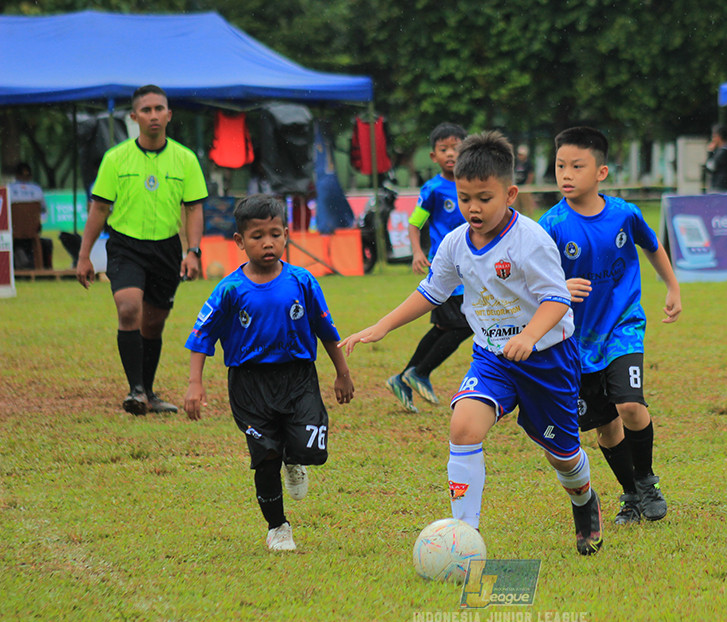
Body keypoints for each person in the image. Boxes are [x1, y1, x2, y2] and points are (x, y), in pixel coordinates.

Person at [340, 131, 604, 556]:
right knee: (463, 426)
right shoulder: (454, 243)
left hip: (548, 358)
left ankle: (583, 500)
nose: (473, 209)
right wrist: (381, 326)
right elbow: (431, 292)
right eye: (465, 198)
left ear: (510, 193)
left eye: (484, 198)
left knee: (563, 455)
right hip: (491, 360)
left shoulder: (531, 240)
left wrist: (530, 337)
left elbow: (556, 300)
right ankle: (464, 539)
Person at [183, 194, 354, 551]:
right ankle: (278, 528)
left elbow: (326, 329)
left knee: (309, 450)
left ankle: (295, 460)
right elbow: (201, 336)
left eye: (275, 234)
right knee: (265, 456)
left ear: (287, 235)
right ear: (240, 242)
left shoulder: (302, 281)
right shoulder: (229, 289)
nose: (267, 242)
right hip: (249, 385)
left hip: (298, 377)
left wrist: (342, 372)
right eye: (257, 235)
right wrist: (194, 384)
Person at [539, 127, 682, 526]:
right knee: (604, 426)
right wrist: (558, 288)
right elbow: (529, 279)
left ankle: (647, 481)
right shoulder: (549, 225)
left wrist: (672, 287)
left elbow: (652, 246)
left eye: (576, 166)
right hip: (574, 340)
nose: (566, 174)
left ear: (601, 172)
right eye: (560, 166)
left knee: (630, 406)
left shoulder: (624, 213)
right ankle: (632, 496)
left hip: (623, 326)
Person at [76, 84, 208, 416]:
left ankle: (147, 392)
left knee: (154, 323)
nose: (153, 115)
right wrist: (83, 255)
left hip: (166, 248)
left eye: (159, 109)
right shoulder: (115, 158)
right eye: (146, 110)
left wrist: (193, 251)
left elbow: (193, 209)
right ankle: (135, 391)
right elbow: (99, 209)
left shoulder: (185, 159)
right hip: (125, 245)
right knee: (128, 308)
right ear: (134, 117)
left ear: (169, 115)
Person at [387, 123, 473, 413]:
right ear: (434, 156)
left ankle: (403, 377)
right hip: (446, 269)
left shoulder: (471, 183)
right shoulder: (434, 189)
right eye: (444, 149)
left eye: (456, 147)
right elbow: (415, 223)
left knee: (445, 326)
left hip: (471, 267)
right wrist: (416, 252)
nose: (451, 154)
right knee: (464, 324)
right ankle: (419, 372)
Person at [7, 162, 53, 269]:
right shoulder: (37, 189)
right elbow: (44, 211)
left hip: (13, 229)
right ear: (31, 175)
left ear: (16, 175)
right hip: (32, 230)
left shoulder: (8, 189)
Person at [704, 124, 727, 192]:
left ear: (719, 137)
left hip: (719, 186)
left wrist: (710, 152)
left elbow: (711, 167)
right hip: (723, 184)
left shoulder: (723, 152)